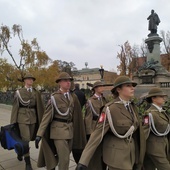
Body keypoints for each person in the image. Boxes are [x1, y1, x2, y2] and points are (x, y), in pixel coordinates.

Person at [76, 76, 146, 170]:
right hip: (116, 156)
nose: (132, 88)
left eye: (132, 86)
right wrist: (83, 162)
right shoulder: (110, 109)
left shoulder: (132, 107)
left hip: (131, 154)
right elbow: (97, 134)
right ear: (118, 89)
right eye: (128, 86)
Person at [35, 72, 86, 170]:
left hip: (70, 130)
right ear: (59, 83)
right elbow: (46, 116)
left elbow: (77, 115)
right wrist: (39, 134)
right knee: (65, 159)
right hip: (58, 131)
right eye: (65, 81)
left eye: (69, 81)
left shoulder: (72, 96)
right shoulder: (54, 97)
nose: (68, 83)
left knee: (63, 156)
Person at [10, 73, 44, 170]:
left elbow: (39, 106)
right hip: (22, 118)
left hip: (33, 118)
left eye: (32, 79)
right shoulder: (19, 92)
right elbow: (15, 107)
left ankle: (20, 152)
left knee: (28, 139)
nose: (30, 81)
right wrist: (13, 121)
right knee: (25, 139)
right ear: (24, 80)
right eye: (28, 79)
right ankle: (28, 163)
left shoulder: (35, 92)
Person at [143, 87, 170, 170]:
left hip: (163, 145)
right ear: (153, 98)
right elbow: (144, 132)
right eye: (161, 97)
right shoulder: (150, 113)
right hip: (154, 148)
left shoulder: (162, 111)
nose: (164, 98)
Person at [84, 81, 108, 170]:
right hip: (95, 126)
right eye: (101, 86)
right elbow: (88, 118)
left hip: (104, 126)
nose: (103, 88)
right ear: (96, 89)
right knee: (96, 151)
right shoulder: (90, 101)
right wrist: (89, 132)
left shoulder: (104, 99)